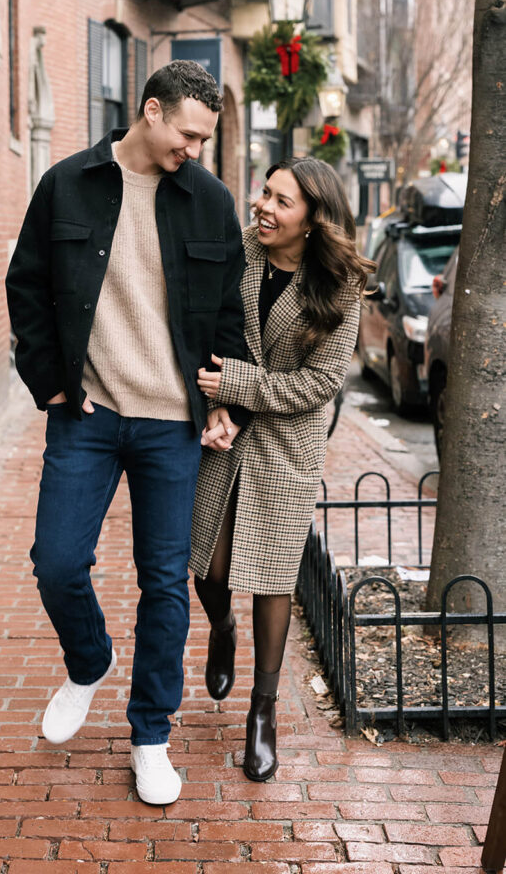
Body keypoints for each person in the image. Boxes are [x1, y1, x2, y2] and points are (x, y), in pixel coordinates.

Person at [5, 60, 246, 806]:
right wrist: (47, 379)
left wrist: (221, 399)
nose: (196, 149)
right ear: (150, 112)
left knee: (163, 583)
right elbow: (27, 286)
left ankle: (151, 737)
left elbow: (228, 312)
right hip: (88, 413)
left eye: (205, 137)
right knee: (56, 563)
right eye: (188, 132)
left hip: (171, 421)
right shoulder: (67, 183)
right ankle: (88, 661)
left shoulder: (209, 202)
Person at [191, 157, 375, 782]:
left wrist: (240, 383)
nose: (263, 207)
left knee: (272, 579)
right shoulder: (238, 251)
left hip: (287, 446)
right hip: (223, 435)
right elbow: (212, 328)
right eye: (264, 193)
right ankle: (221, 627)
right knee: (209, 567)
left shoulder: (339, 289)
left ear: (314, 220)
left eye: (281, 201)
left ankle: (262, 712)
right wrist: (219, 400)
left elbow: (320, 383)